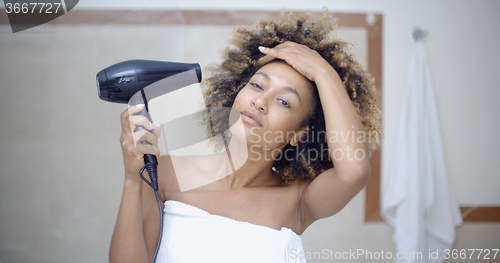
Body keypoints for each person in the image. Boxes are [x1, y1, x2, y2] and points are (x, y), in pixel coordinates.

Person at [109, 9, 382, 263]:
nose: (260, 101)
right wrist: (133, 178)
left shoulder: (297, 201)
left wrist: (323, 72)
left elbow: (354, 172)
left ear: (300, 134)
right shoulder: (164, 172)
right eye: (257, 85)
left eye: (284, 102)